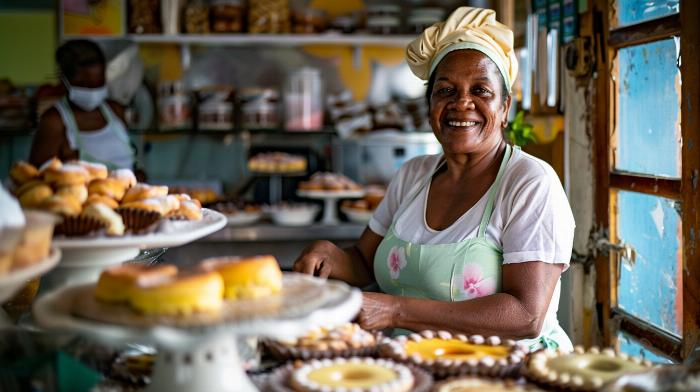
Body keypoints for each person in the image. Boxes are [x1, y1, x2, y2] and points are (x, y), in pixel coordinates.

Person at [293, 7, 575, 351]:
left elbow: (525, 316)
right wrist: (329, 254)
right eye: (445, 91)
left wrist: (396, 311)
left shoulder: (530, 182)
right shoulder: (414, 174)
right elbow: (365, 262)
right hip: (411, 364)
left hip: (504, 373)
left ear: (504, 108)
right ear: (429, 106)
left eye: (481, 90)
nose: (462, 103)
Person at [29, 40, 135, 171]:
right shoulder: (54, 121)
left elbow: (131, 159)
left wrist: (139, 172)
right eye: (85, 85)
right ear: (65, 82)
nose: (93, 90)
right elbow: (37, 176)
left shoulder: (115, 110)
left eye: (99, 84)